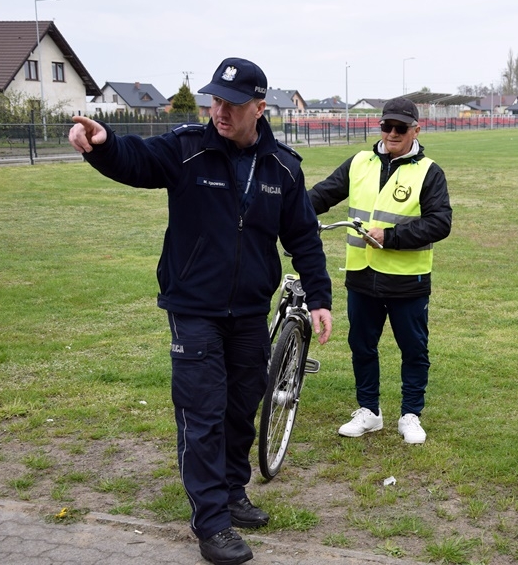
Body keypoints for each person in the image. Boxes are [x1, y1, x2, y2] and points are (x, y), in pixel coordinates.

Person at [68, 57, 333, 565]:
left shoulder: (283, 168)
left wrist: (319, 297)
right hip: (194, 307)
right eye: (215, 101)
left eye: (232, 104)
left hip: (250, 311)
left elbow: (302, 236)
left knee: (241, 406)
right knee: (203, 411)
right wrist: (103, 145)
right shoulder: (187, 149)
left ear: (260, 107)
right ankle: (211, 522)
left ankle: (233, 492)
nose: (219, 112)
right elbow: (138, 160)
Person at [308, 98, 452, 445]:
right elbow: (323, 194)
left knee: (414, 349)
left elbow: (440, 222)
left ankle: (410, 414)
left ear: (416, 130)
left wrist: (391, 237)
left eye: (400, 128)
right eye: (386, 126)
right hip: (361, 276)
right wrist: (289, 211)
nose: (391, 133)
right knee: (361, 345)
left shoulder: (429, 171)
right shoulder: (359, 162)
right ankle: (369, 411)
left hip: (408, 281)